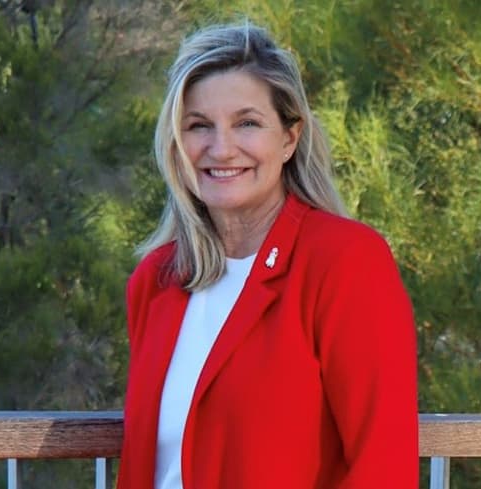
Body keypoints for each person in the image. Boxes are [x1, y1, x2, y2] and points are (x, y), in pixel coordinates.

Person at [117, 22, 418, 489]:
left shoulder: (345, 261)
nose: (221, 149)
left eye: (247, 123)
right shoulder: (156, 280)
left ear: (289, 138)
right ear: (176, 144)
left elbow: (384, 465)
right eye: (199, 126)